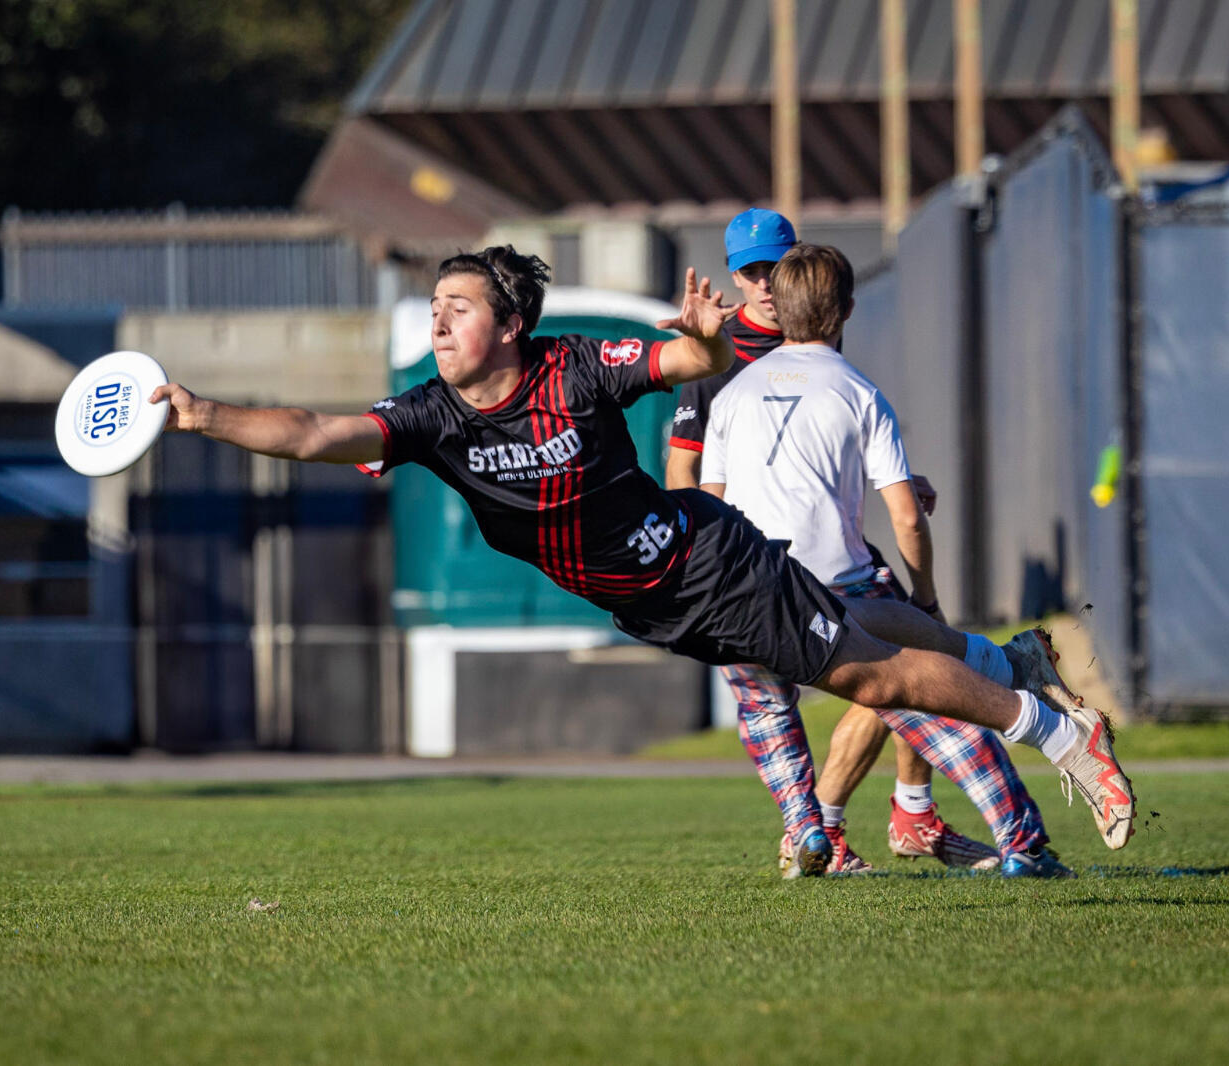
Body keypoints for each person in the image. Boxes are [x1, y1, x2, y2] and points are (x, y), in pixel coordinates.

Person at [148, 244, 1135, 877]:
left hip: (705, 566)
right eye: (434, 306)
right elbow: (315, 429)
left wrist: (702, 345)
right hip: (663, 604)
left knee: (870, 671)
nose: (438, 319)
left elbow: (683, 366)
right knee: (868, 627)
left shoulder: (573, 365)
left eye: (456, 305)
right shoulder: (429, 417)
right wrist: (203, 414)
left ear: (508, 325)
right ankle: (1010, 667)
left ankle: (1053, 733)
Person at [669, 210, 1067, 877]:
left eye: (778, 267)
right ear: (735, 279)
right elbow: (690, 479)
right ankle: (973, 828)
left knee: (862, 692)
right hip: (800, 574)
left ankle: (857, 822)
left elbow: (813, 455)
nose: (768, 283)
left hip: (775, 574)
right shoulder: (719, 360)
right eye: (754, 272)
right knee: (917, 685)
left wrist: (896, 481)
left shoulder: (798, 366)